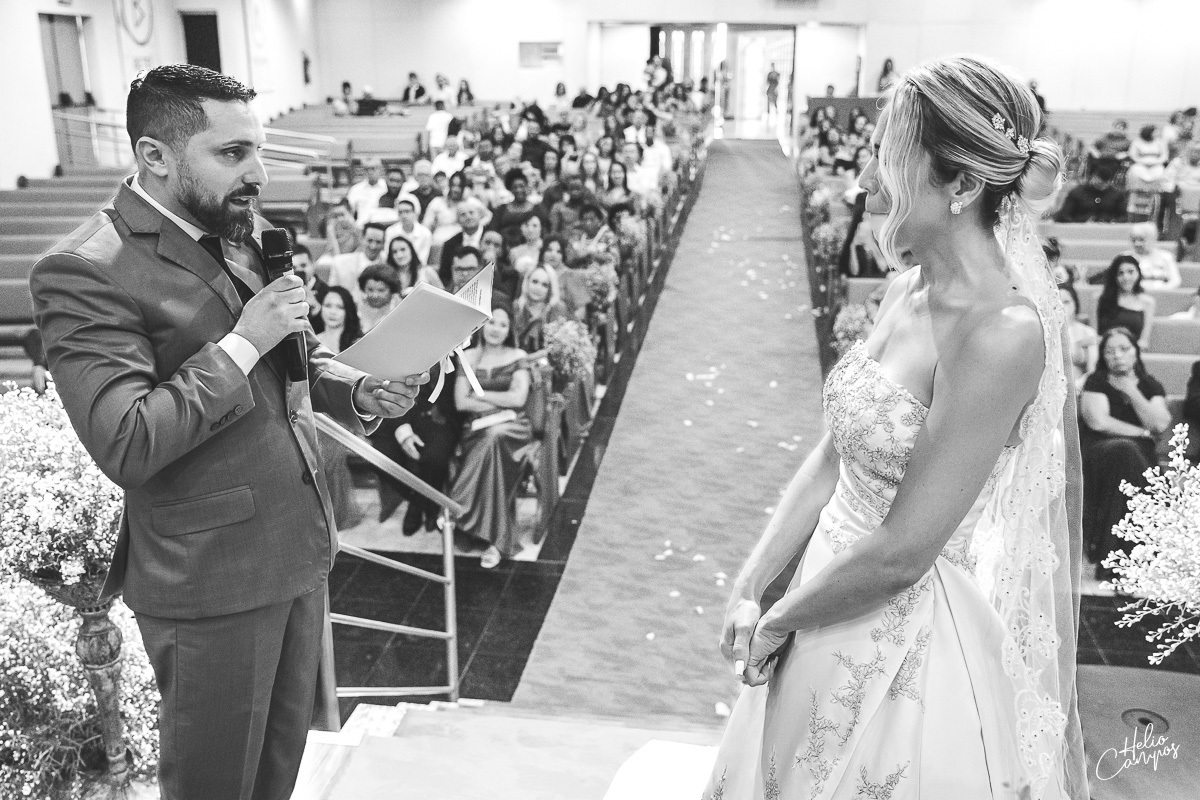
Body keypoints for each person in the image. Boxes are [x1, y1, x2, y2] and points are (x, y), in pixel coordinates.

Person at [29, 64, 424, 800]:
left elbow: (292, 361)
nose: (258, 174)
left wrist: (359, 388)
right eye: (233, 153)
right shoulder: (86, 269)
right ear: (155, 156)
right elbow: (128, 438)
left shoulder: (243, 233)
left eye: (258, 150)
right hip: (209, 577)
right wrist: (243, 339)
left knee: (277, 774)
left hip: (297, 548)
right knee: (215, 785)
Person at [704, 56, 1086, 799]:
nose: (866, 180)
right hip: (825, 586)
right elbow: (833, 456)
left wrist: (779, 621)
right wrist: (752, 583)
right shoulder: (908, 287)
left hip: (896, 626)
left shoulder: (1002, 334)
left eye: (888, 158)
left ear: (961, 184)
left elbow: (905, 550)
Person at [1079, 327, 1171, 579]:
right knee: (1126, 451)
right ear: (1103, 356)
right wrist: (1141, 433)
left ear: (1135, 352)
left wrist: (1130, 390)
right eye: (1110, 351)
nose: (1117, 355)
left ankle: (1118, 562)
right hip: (1101, 452)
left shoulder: (1150, 385)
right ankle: (1129, 560)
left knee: (1131, 462)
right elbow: (1098, 422)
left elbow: (1160, 423)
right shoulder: (1097, 381)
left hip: (1138, 457)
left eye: (1123, 349)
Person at [450, 303, 535, 569]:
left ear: (510, 330)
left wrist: (480, 395)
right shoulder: (468, 356)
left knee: (495, 438)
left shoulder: (518, 355)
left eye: (503, 324)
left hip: (513, 426)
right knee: (490, 444)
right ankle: (493, 539)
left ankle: (459, 506)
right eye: (491, 322)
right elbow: (461, 403)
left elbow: (518, 399)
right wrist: (500, 399)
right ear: (481, 324)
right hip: (477, 427)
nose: (496, 329)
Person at [1096, 254, 1156, 349]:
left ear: (1138, 273)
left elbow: (1144, 342)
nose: (1126, 277)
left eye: (1130, 272)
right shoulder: (1098, 298)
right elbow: (1094, 336)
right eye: (1120, 273)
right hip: (1104, 350)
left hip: (1132, 351)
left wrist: (1125, 349)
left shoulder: (1148, 302)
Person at [512, 264, 568, 352]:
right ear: (527, 282)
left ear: (551, 288)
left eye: (545, 285)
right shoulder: (517, 306)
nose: (538, 288)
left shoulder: (557, 308)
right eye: (535, 282)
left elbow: (557, 347)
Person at [327, 221, 387, 303]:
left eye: (378, 242)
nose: (373, 246)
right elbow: (331, 296)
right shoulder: (340, 263)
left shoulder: (390, 264)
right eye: (370, 241)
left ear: (384, 244)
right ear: (362, 239)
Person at [438, 197, 488, 285]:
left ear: (480, 215)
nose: (468, 217)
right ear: (457, 221)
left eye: (471, 212)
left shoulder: (491, 238)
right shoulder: (450, 244)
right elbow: (445, 274)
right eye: (463, 214)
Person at [1054, 163, 1127, 222]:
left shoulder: (1116, 195)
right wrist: (1081, 222)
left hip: (1108, 229)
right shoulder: (1078, 193)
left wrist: (1112, 222)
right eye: (1099, 184)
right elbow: (1064, 215)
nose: (1102, 187)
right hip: (1081, 229)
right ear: (1093, 177)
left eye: (1104, 185)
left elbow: (1124, 217)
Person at [1060, 283, 1099, 388]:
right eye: (1057, 302)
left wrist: (1077, 386)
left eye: (1066, 302)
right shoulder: (1044, 333)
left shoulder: (1088, 332)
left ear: (1075, 303)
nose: (1062, 307)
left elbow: (1092, 370)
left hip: (1083, 387)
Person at [1125, 221, 1182, 289]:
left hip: (1164, 292)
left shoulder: (1166, 257)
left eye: (1141, 240)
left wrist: (1161, 290)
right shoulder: (1126, 257)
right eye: (1133, 240)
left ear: (1152, 239)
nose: (1137, 244)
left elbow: (1175, 281)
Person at [383, 195, 433, 264]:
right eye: (400, 212)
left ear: (414, 213)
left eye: (407, 211)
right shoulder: (390, 231)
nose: (403, 215)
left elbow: (422, 259)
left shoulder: (425, 233)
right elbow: (387, 255)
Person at [312, 285, 361, 354]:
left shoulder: (358, 344)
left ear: (348, 311)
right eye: (328, 306)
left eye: (339, 307)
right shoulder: (313, 343)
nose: (333, 312)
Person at [356, 264, 401, 334]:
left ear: (392, 290)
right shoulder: (355, 309)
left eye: (381, 290)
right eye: (370, 290)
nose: (375, 295)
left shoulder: (401, 308)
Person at [291, 243, 328, 326]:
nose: (299, 271)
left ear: (312, 264)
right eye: (294, 268)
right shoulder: (284, 293)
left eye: (303, 265)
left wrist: (316, 307)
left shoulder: (326, 292)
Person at [345, 157, 387, 223]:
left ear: (380, 169)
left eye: (373, 168)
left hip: (383, 225)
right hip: (362, 225)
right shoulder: (355, 189)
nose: (370, 172)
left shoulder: (387, 187)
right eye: (366, 169)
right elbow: (348, 211)